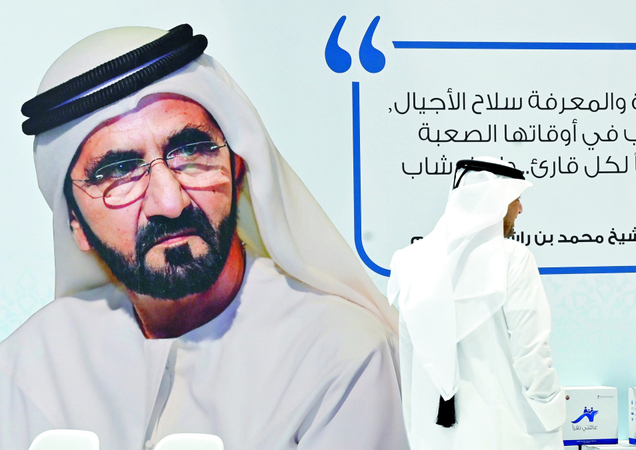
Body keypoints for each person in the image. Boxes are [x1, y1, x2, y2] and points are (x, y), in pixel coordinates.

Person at [0, 25, 408, 450]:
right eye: (119, 171)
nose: (169, 202)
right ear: (76, 223)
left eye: (192, 151)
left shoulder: (337, 355)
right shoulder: (25, 372)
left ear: (238, 168)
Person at [387, 157, 565, 450]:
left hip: (432, 436)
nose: (520, 209)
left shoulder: (408, 262)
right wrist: (552, 410)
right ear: (495, 201)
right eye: (516, 199)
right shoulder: (513, 258)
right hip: (508, 433)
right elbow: (531, 352)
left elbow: (407, 360)